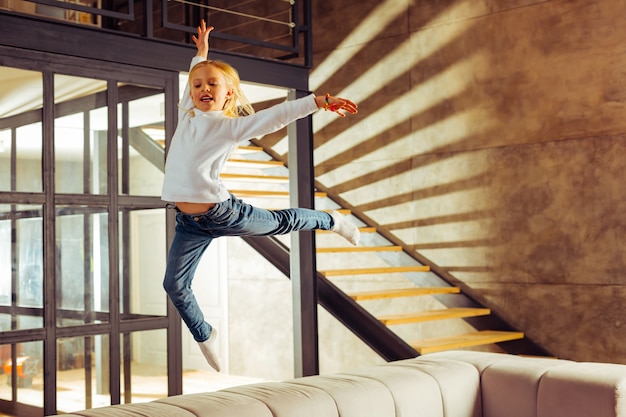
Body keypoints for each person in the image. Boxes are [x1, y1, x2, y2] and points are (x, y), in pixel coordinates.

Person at [161, 20, 360, 372]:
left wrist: (317, 102)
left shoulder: (229, 126)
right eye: (198, 85)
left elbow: (276, 117)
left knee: (281, 223)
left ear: (228, 95)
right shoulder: (186, 113)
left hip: (222, 213)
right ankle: (206, 335)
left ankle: (332, 221)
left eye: (213, 85)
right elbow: (193, 72)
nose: (203, 88)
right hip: (189, 223)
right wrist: (202, 55)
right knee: (174, 285)